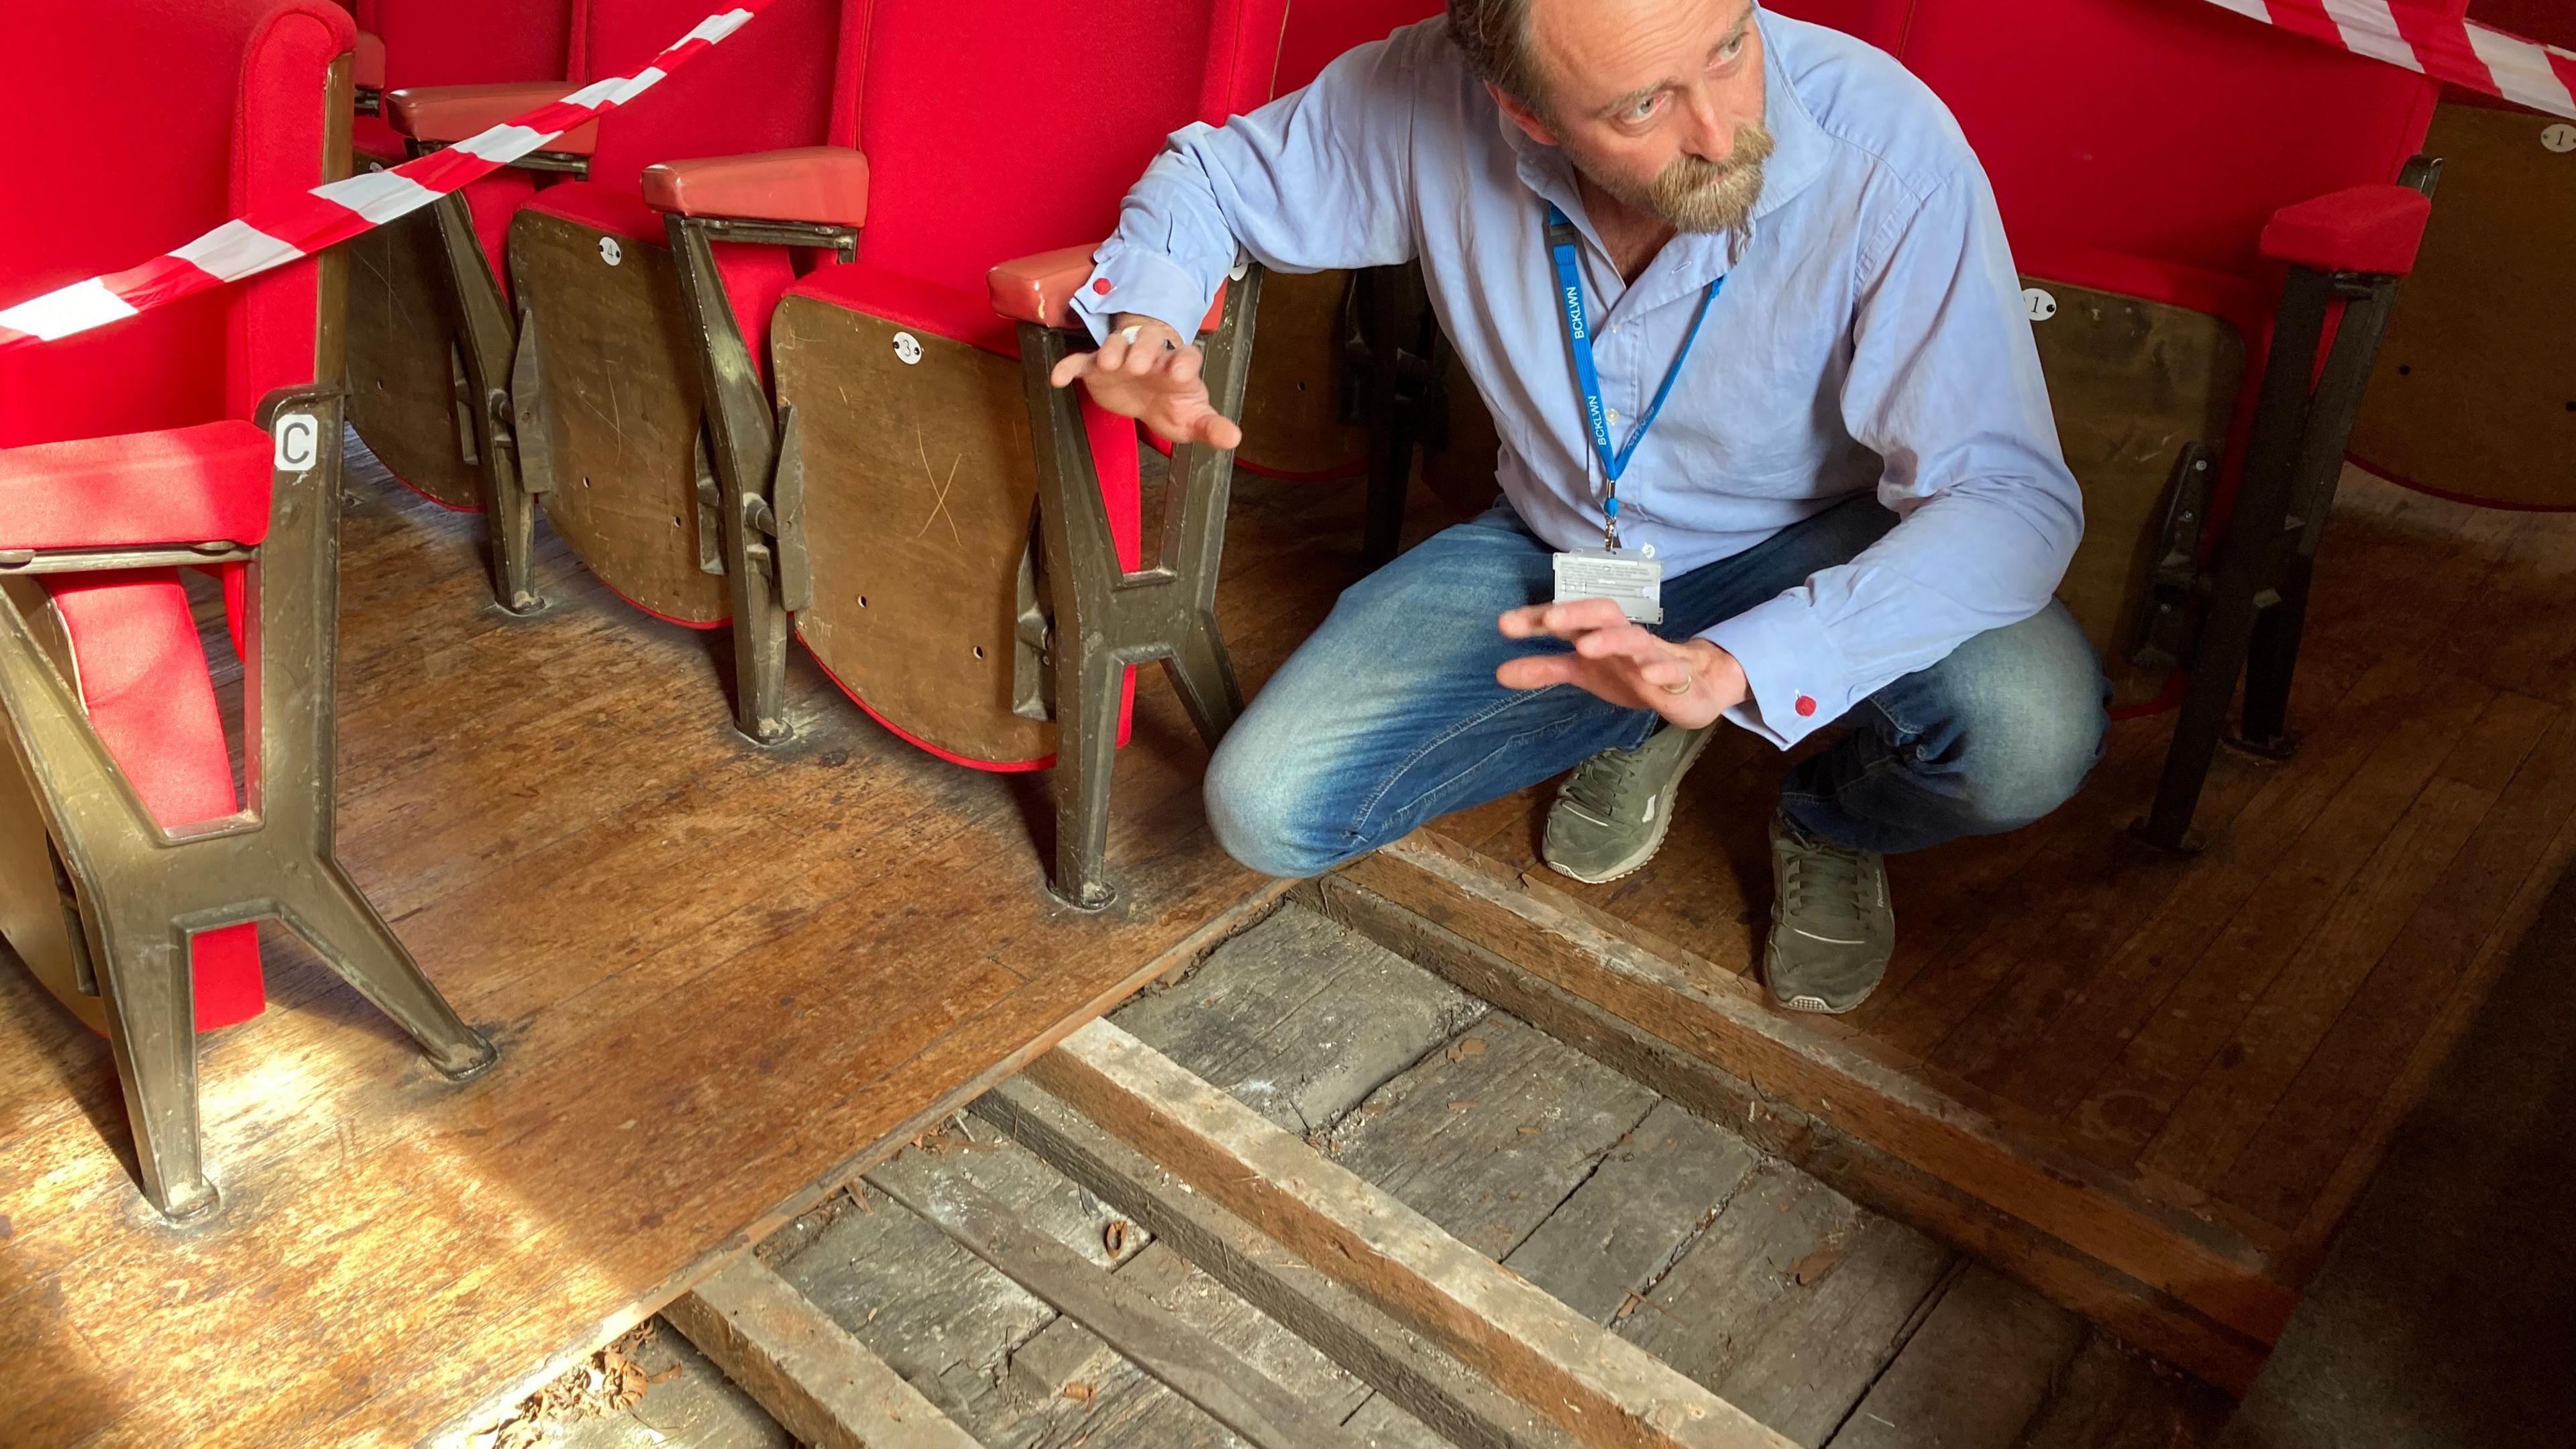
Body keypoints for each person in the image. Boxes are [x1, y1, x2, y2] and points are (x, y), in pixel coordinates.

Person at [1050, 0, 2108, 1014]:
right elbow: (1213, 175)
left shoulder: (1887, 148)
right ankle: (1635, 709)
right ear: (1524, 112)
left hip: (1814, 541)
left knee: (2030, 731)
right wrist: (1150, 319)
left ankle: (1832, 816)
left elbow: (2006, 496)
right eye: (1642, 106)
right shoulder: (1429, 94)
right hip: (1560, 550)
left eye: (1731, 45)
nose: (1727, 127)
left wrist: (1743, 663)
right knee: (1265, 810)